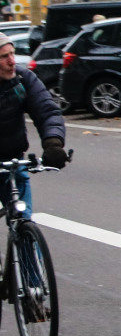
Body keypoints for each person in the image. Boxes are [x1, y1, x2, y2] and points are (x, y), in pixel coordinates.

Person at [0, 32, 67, 219]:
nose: (12, 61)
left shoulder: (22, 78)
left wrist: (53, 143)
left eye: (12, 54)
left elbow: (46, 110)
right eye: (4, 57)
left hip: (12, 161)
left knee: (22, 218)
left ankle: (25, 242)